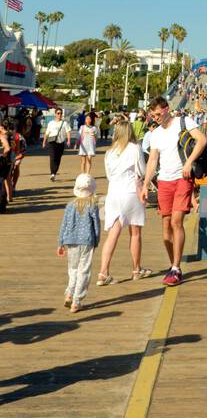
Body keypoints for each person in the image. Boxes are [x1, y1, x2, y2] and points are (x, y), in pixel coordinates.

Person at [138, 96, 206, 287]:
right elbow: (152, 161)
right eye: (153, 115)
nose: (156, 118)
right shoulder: (156, 134)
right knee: (165, 229)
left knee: (177, 222)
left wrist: (189, 162)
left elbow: (202, 140)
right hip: (164, 181)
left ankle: (176, 267)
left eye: (158, 114)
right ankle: (173, 265)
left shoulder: (184, 122)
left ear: (167, 109)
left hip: (182, 178)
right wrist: (145, 185)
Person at [97, 120, 149, 284]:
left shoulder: (109, 152)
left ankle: (103, 273)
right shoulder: (135, 148)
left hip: (113, 193)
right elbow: (142, 170)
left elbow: (108, 175)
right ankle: (136, 269)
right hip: (131, 192)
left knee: (113, 234)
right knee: (135, 233)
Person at [57, 173, 101, 313]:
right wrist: (96, 241)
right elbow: (96, 226)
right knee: (84, 270)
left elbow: (64, 224)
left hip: (70, 241)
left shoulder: (70, 205)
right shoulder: (92, 205)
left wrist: (60, 242)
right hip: (87, 241)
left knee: (73, 269)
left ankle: (69, 294)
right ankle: (77, 300)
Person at [43, 107, 72, 180]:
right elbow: (46, 133)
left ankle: (54, 172)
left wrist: (68, 140)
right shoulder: (51, 123)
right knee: (52, 157)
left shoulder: (64, 123)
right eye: (58, 113)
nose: (59, 115)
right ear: (55, 114)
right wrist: (44, 142)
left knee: (58, 158)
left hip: (61, 142)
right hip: (52, 142)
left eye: (61, 113)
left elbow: (68, 132)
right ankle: (52, 173)